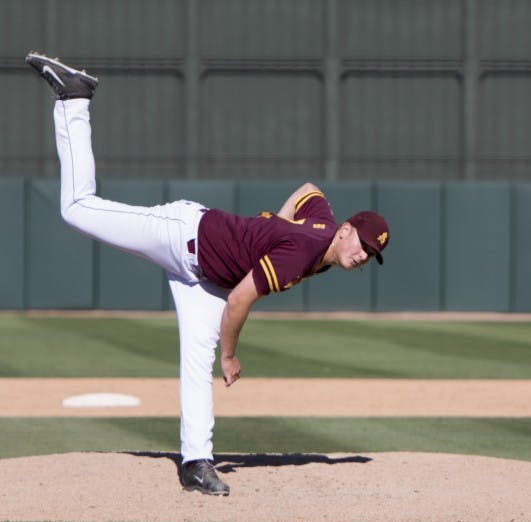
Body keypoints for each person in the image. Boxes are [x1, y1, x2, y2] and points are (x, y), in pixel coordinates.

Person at [25, 52, 390, 497]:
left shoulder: (323, 226)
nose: (363, 255)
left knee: (197, 359)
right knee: (77, 209)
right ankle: (74, 100)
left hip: (206, 277)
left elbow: (309, 190)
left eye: (371, 255)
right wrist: (231, 356)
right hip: (182, 235)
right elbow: (239, 301)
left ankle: (196, 463)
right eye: (363, 244)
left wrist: (272, 229)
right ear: (346, 230)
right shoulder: (305, 250)